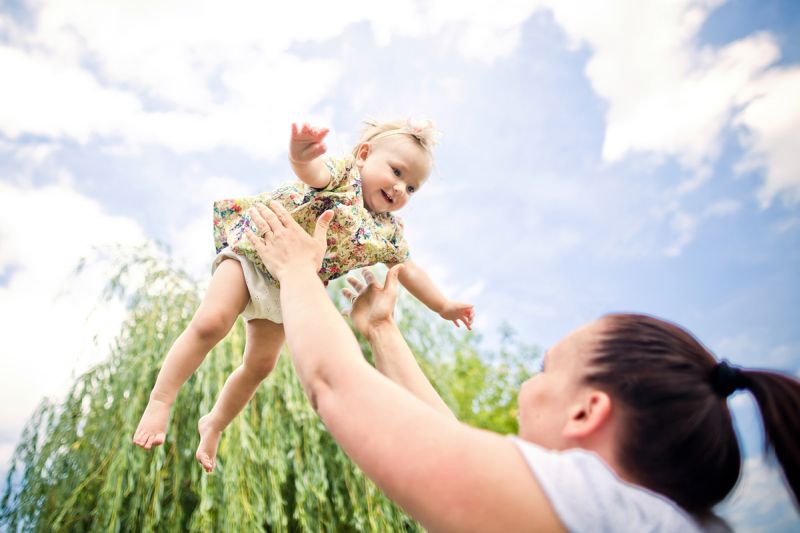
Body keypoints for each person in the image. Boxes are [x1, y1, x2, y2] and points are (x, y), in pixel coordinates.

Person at [243, 200, 800, 532]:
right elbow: (448, 445)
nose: (529, 384)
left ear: (587, 410)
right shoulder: (662, 520)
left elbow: (336, 385)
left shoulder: (602, 507)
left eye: (545, 367)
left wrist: (296, 270)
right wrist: (382, 331)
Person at [132, 120, 474, 472]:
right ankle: (160, 400)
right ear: (364, 155)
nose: (401, 188)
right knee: (211, 323)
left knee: (260, 366)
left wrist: (443, 305)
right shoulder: (344, 177)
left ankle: (214, 423)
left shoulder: (388, 231)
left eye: (412, 188)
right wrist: (300, 154)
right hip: (257, 252)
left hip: (292, 289)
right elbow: (313, 172)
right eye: (397, 172)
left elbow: (409, 270)